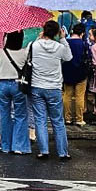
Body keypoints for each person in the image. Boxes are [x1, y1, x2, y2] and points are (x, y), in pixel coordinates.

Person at [29, 20, 73, 160]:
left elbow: (27, 56)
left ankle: (44, 151)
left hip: (37, 86)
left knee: (40, 120)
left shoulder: (34, 45)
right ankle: (63, 152)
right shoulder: (60, 47)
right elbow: (69, 57)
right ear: (56, 32)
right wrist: (63, 38)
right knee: (58, 121)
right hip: (54, 88)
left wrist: (38, 38)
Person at [0, 31, 30, 154]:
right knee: (20, 115)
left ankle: (6, 146)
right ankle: (19, 147)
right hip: (18, 85)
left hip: (3, 85)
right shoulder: (24, 53)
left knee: (4, 115)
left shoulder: (0, 53)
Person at [61, 23, 90, 127]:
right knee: (79, 96)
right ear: (82, 33)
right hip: (81, 73)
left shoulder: (65, 42)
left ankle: (67, 118)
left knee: (67, 95)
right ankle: (79, 119)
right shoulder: (83, 44)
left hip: (67, 72)